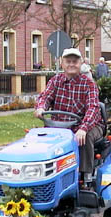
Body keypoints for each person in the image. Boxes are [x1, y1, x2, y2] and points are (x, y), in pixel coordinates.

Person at [34, 48, 104, 183]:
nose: (71, 64)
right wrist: (41, 107)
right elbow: (45, 96)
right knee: (40, 137)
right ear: (62, 63)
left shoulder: (89, 84)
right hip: (60, 126)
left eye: (75, 61)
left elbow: (93, 108)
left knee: (83, 137)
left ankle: (85, 176)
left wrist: (83, 128)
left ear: (81, 63)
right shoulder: (55, 81)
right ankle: (44, 175)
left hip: (87, 125)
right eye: (68, 61)